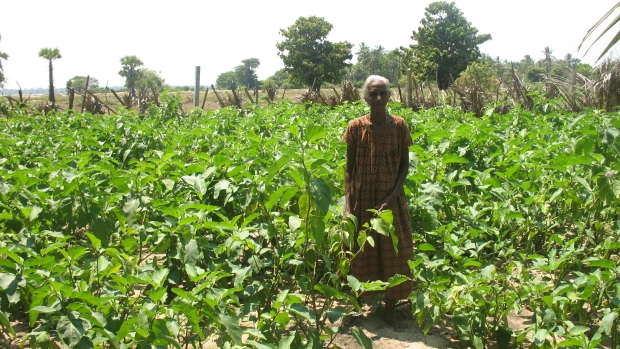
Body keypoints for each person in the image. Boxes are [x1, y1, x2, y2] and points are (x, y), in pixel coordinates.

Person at [342, 75, 414, 331]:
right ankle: (353, 307)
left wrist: (392, 197)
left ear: (390, 95)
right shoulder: (355, 127)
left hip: (391, 200)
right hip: (362, 199)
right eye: (373, 94)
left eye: (383, 93)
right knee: (356, 253)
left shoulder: (400, 126)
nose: (378, 98)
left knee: (396, 252)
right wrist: (349, 202)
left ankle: (389, 309)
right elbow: (349, 168)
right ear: (365, 97)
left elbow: (404, 165)